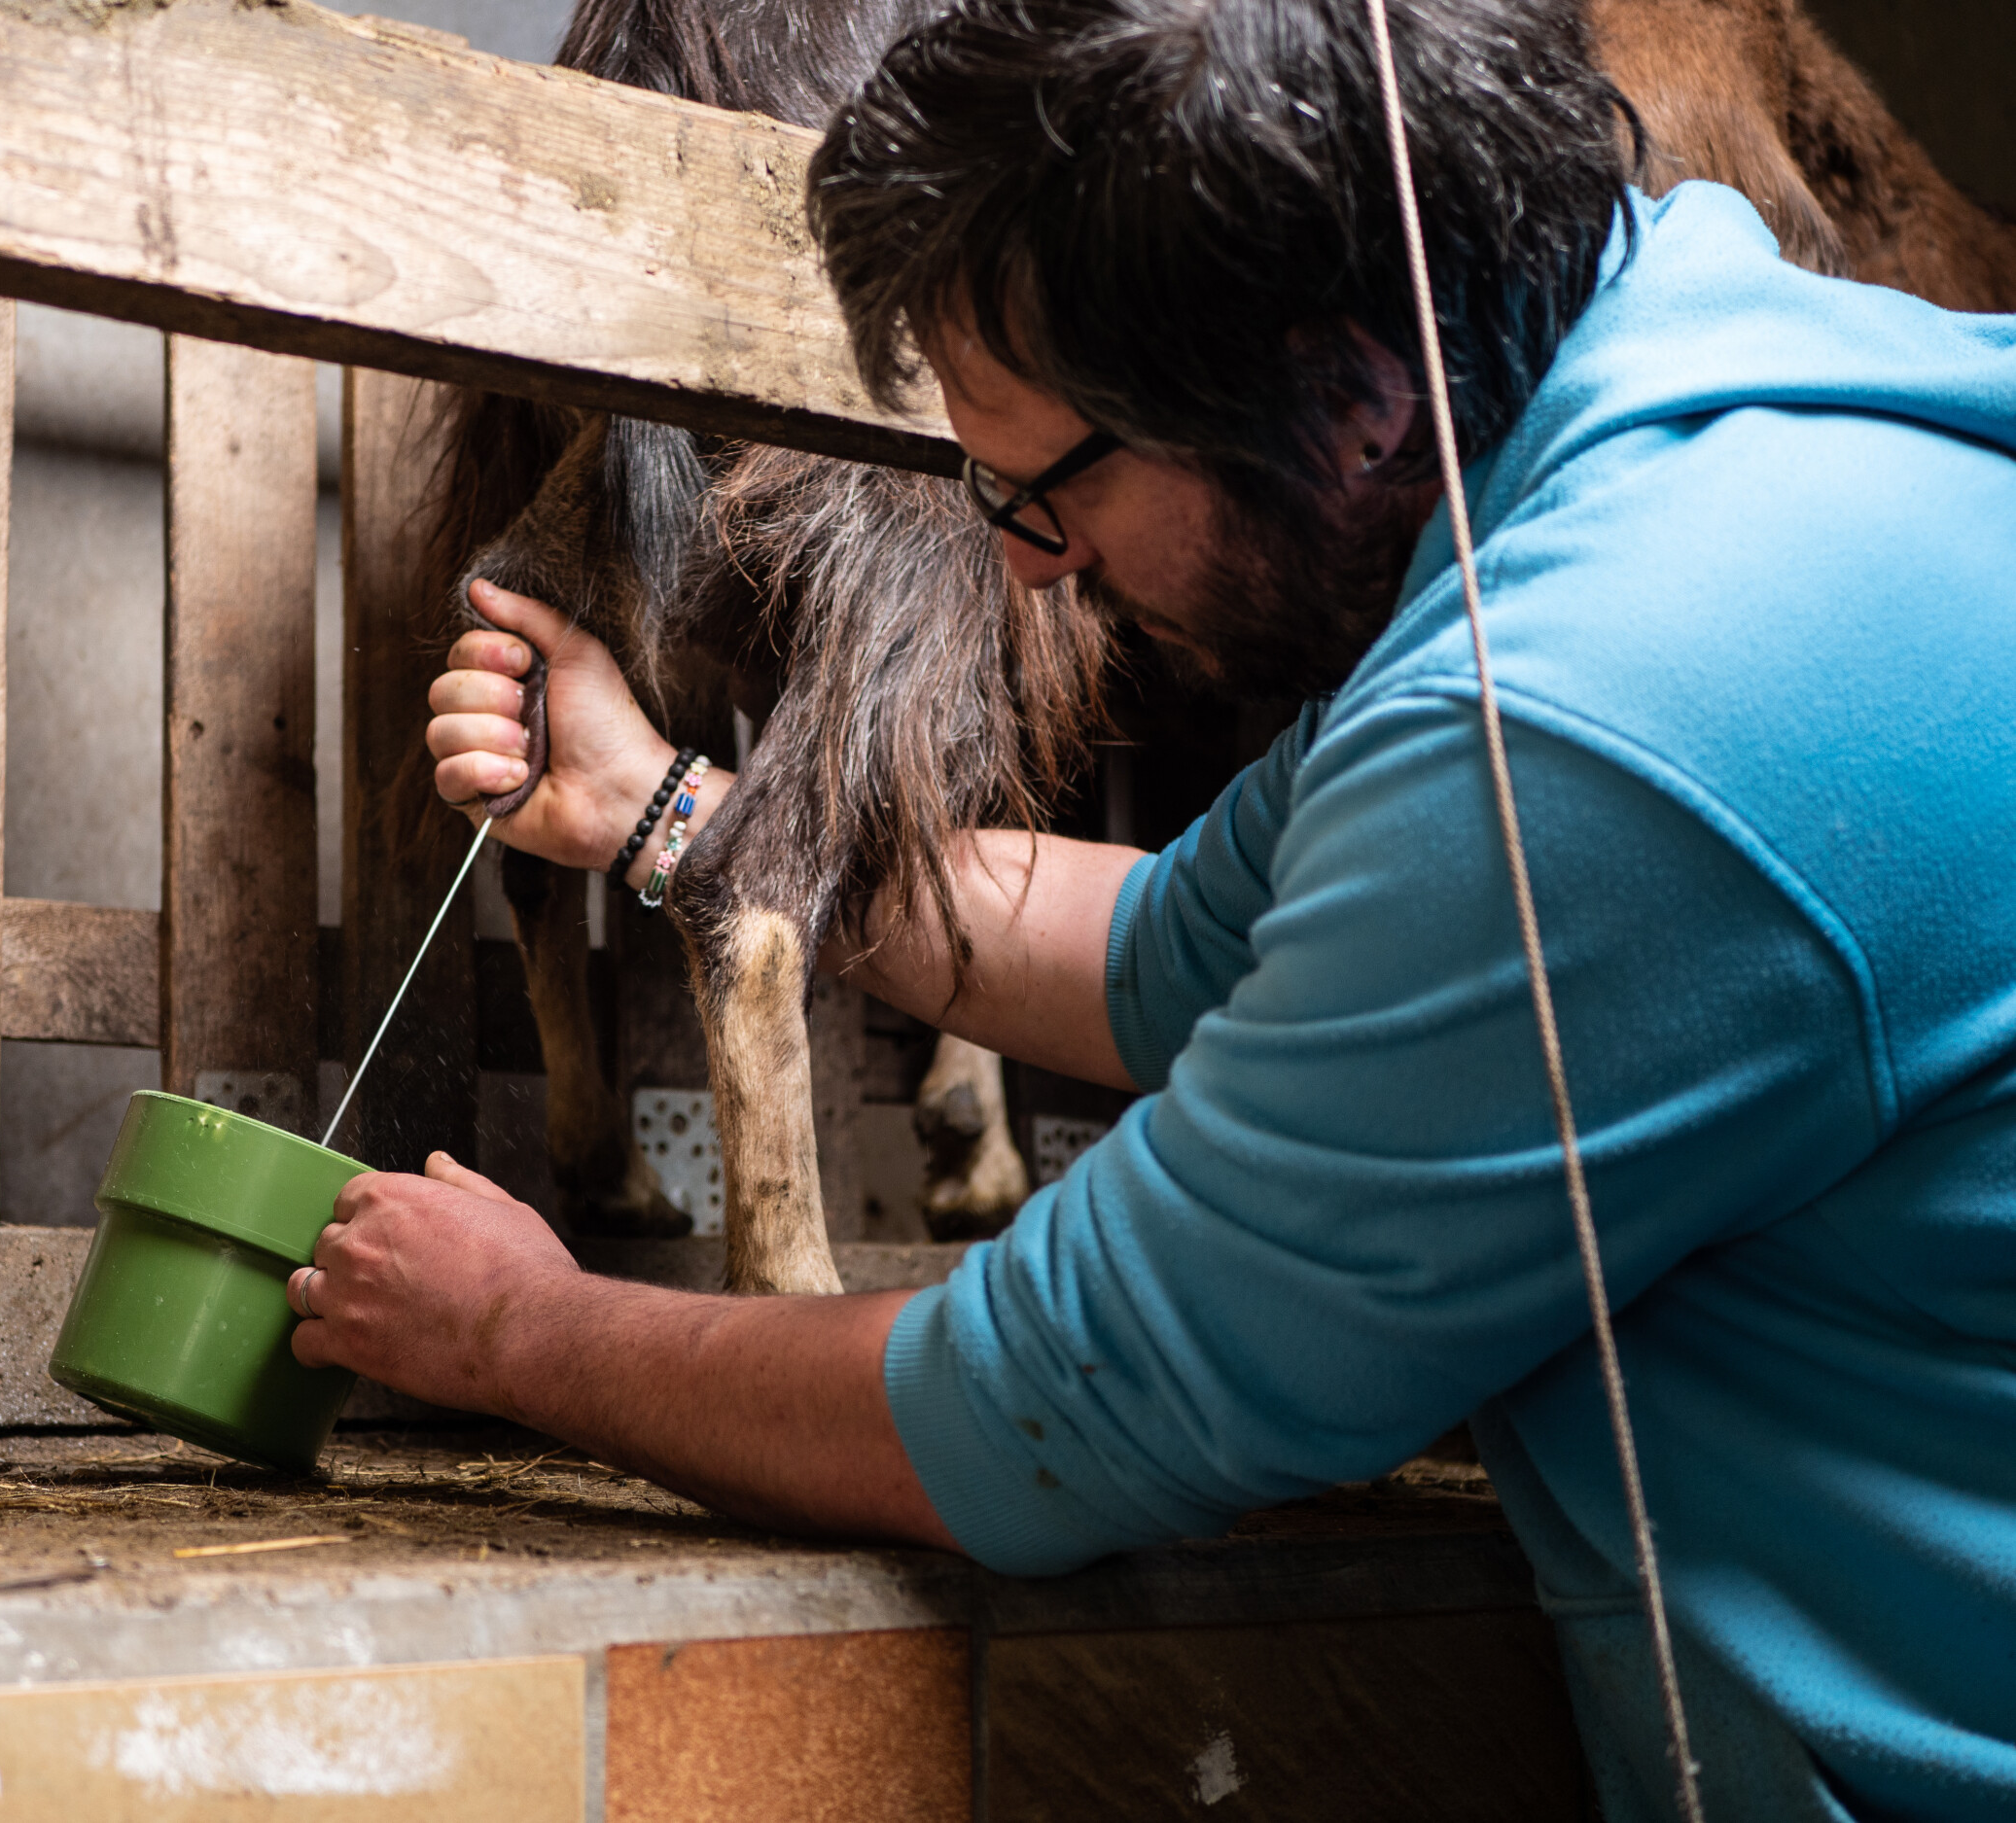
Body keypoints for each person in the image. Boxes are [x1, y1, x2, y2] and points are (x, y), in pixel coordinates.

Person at [286, 1, 2016, 1814]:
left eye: (1045, 486)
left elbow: (1055, 1410)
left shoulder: (1600, 721)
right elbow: (1174, 947)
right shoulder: (1681, 446)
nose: (1030, 560)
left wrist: (519, 1333)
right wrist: (664, 812)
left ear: (1342, 396)